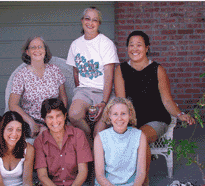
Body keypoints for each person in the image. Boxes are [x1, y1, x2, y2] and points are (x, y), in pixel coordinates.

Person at [114, 30, 195, 185]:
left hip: (156, 119)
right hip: (132, 119)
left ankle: (142, 182)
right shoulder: (121, 70)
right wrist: (125, 124)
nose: (135, 49)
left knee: (140, 138)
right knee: (130, 137)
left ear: (147, 48)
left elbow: (167, 100)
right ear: (127, 48)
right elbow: (121, 102)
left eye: (139, 45)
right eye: (131, 45)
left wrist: (180, 114)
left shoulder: (158, 69)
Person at [66, 7, 120, 143]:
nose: (90, 23)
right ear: (82, 21)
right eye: (87, 19)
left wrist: (103, 102)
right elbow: (75, 72)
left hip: (103, 91)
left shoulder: (106, 44)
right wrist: (80, 90)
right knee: (73, 115)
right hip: (84, 91)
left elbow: (109, 76)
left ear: (99, 24)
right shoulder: (75, 44)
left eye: (95, 20)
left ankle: (96, 157)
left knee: (99, 133)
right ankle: (88, 135)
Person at [9, 36, 67, 138]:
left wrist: (62, 117)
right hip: (32, 119)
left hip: (54, 117)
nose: (37, 50)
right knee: (45, 134)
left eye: (40, 47)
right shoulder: (21, 75)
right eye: (33, 47)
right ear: (27, 52)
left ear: (45, 50)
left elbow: (63, 97)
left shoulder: (55, 70)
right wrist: (30, 121)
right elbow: (12, 104)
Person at [34, 98, 93, 186]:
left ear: (65, 116)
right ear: (44, 120)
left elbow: (83, 171)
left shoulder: (78, 134)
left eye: (58, 116)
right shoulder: (39, 141)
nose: (55, 121)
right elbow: (42, 176)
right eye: (50, 117)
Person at [94, 97, 146, 186]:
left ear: (130, 115)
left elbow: (141, 172)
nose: (119, 118)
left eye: (123, 114)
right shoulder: (100, 138)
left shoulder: (140, 136)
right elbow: (100, 176)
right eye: (115, 114)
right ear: (109, 115)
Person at [0, 111, 34, 186]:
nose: (14, 134)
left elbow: (27, 182)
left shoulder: (28, 149)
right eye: (10, 129)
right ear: (2, 130)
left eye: (18, 130)